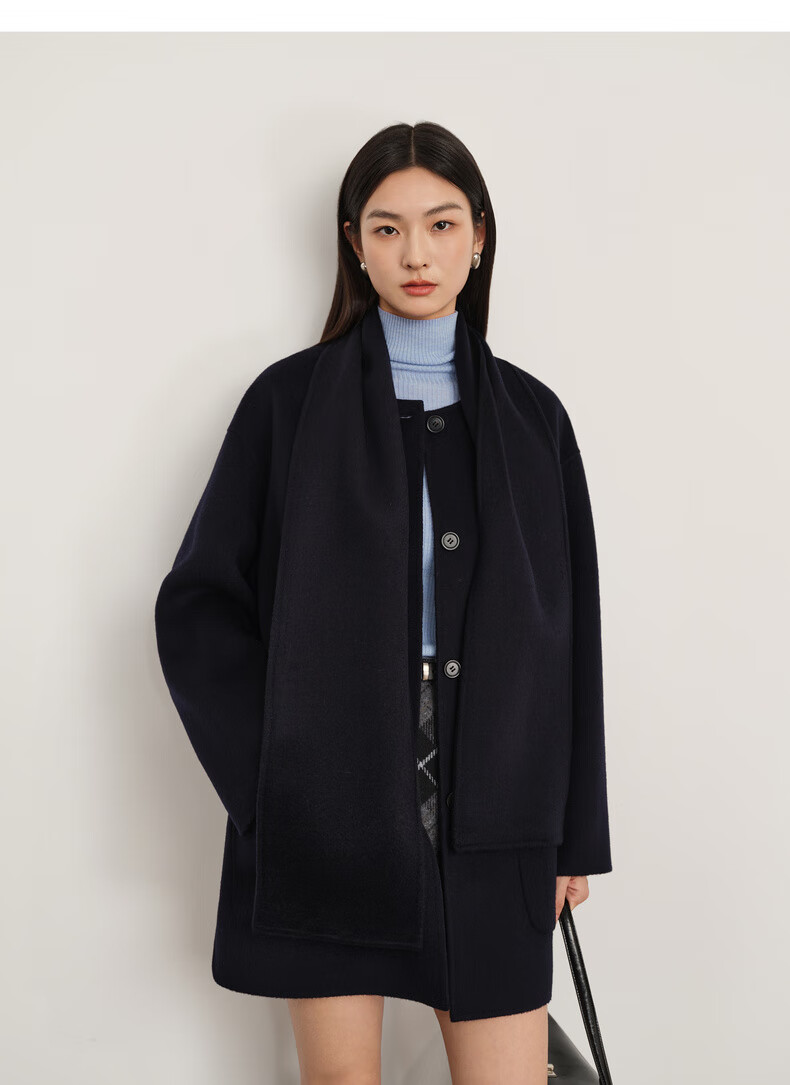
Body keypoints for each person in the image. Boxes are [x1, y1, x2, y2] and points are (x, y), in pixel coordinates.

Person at [155, 120, 613, 1085]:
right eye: (388, 227)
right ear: (354, 244)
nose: (416, 254)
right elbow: (197, 607)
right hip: (327, 811)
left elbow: (573, 637)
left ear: (479, 237)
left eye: (441, 225)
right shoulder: (285, 405)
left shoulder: (535, 419)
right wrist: (270, 781)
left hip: (498, 811)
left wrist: (574, 834)